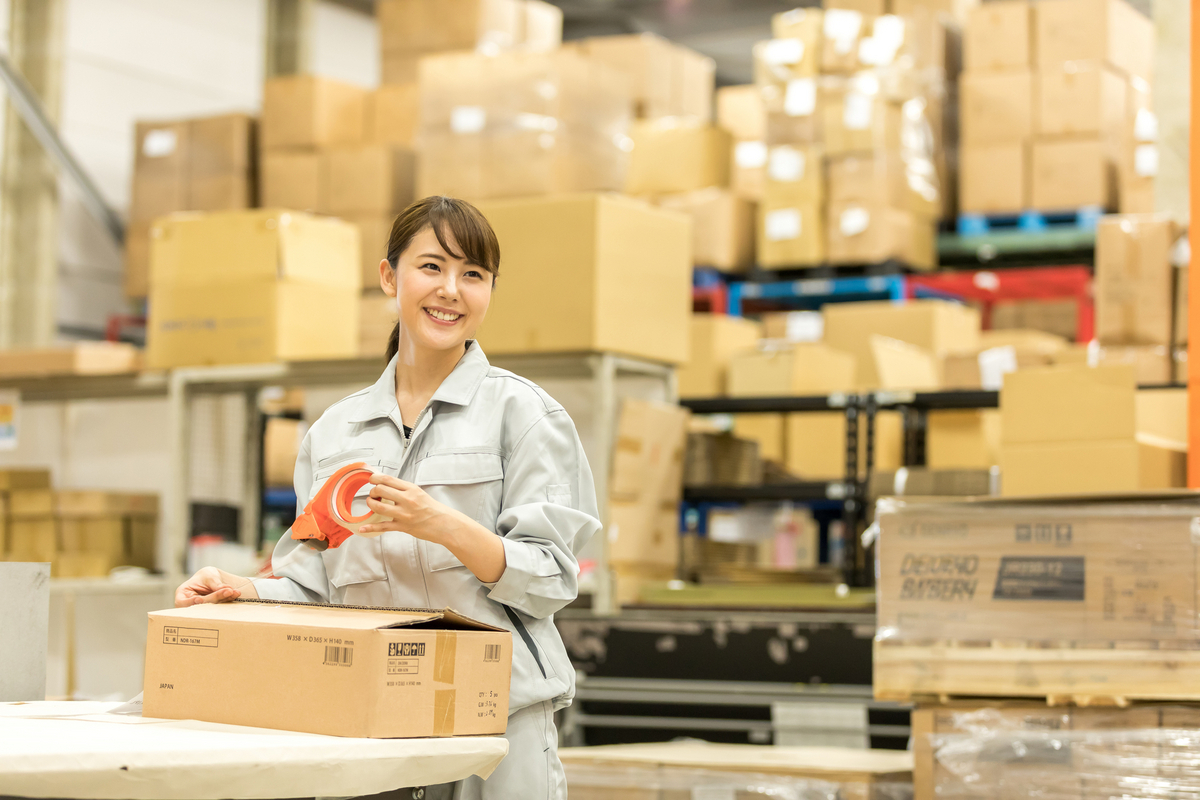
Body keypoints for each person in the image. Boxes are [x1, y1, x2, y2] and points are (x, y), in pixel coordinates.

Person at [174, 195, 601, 800]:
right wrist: (243, 590)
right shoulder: (332, 434)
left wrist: (442, 525)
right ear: (388, 276)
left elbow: (553, 578)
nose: (450, 289)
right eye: (431, 267)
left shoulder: (525, 416)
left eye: (472, 275)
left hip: (495, 731)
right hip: (370, 727)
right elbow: (314, 585)